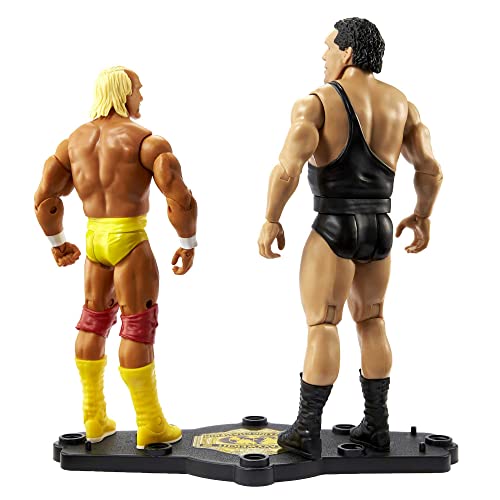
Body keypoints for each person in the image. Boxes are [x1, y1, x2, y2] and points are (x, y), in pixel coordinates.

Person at [258, 18, 442, 459]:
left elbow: (287, 169)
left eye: (329, 48)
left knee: (323, 324)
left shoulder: (318, 103)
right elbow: (430, 169)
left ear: (348, 53)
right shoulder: (403, 106)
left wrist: (270, 219)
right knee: (371, 320)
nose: (324, 56)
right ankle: (377, 426)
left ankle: (306, 430)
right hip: (380, 227)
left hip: (334, 226)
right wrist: (422, 215)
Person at [35, 66, 198, 449]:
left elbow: (45, 198)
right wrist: (188, 242)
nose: (141, 96)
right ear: (123, 93)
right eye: (138, 89)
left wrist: (58, 242)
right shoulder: (146, 142)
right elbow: (179, 198)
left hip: (94, 241)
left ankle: (94, 419)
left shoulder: (72, 143)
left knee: (93, 323)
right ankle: (150, 424)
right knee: (137, 326)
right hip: (128, 240)